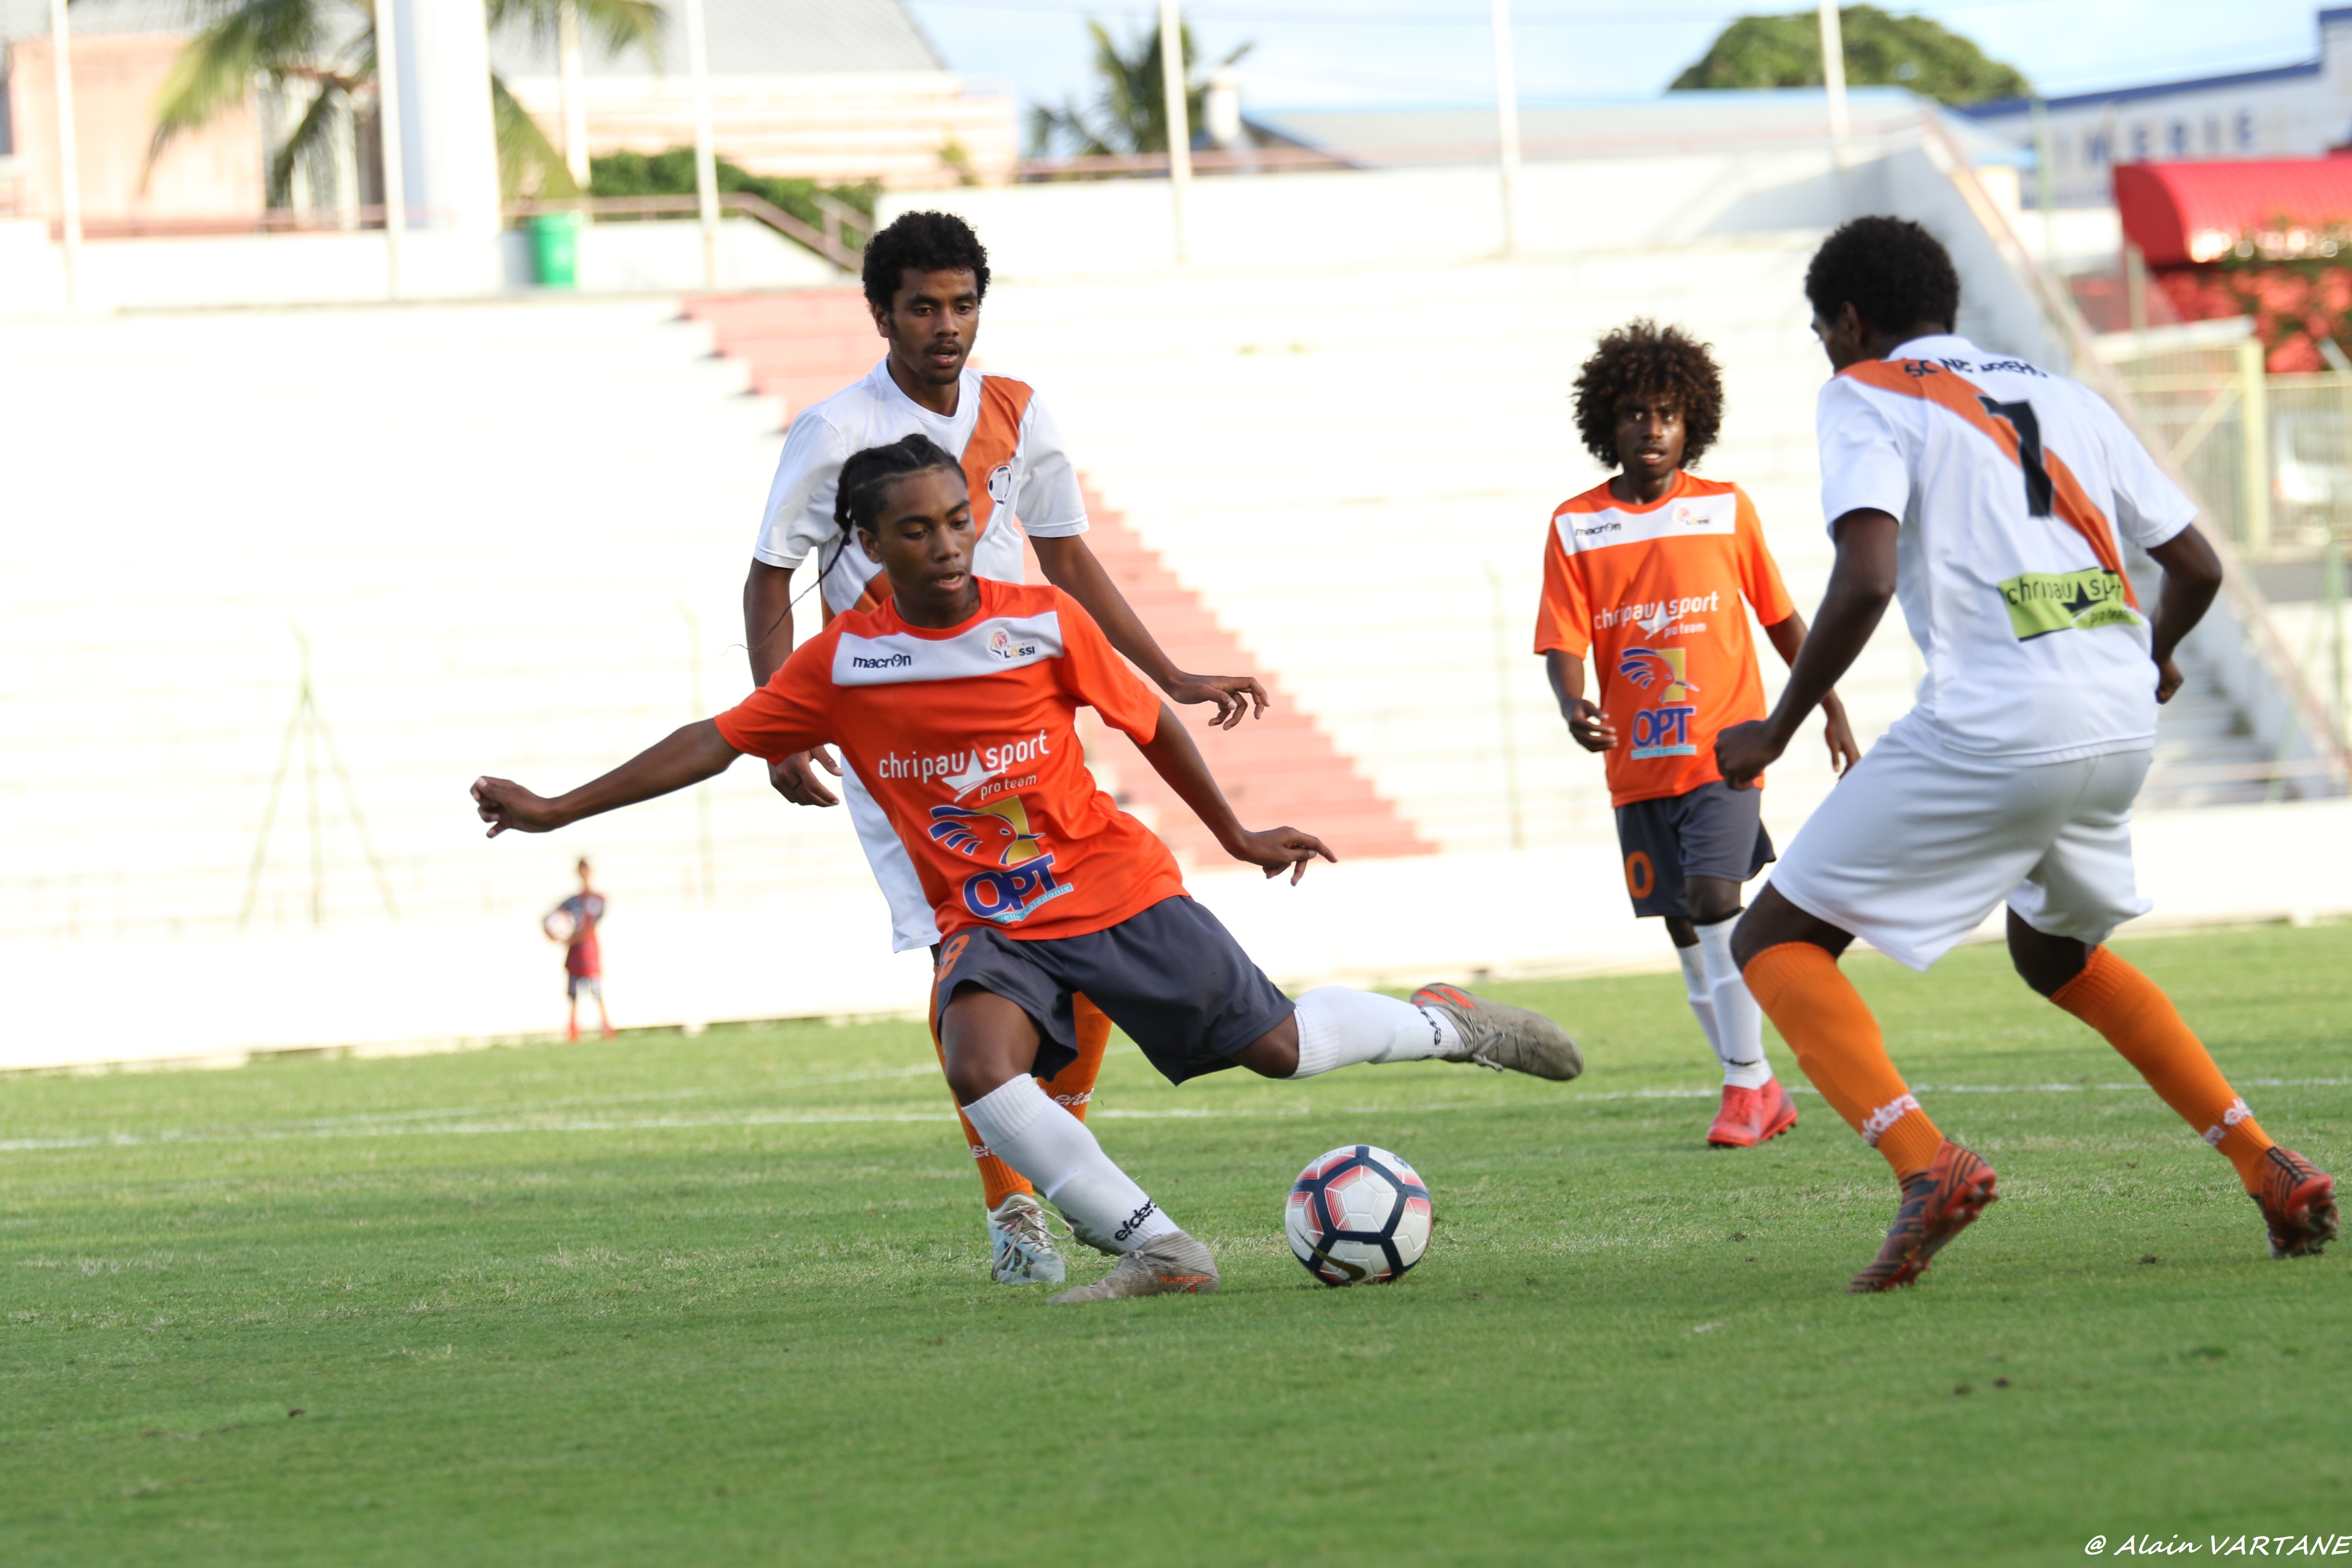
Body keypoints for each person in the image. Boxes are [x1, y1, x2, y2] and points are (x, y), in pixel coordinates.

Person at [476, 435, 1584, 1302]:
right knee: (976, 1062)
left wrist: (1237, 836)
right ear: (868, 545)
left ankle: (1449, 1024)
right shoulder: (844, 662)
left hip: (1109, 885)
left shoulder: (1042, 623)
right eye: (917, 530)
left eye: (959, 519)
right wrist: (556, 808)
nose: (948, 543)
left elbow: (1150, 723)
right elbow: (715, 737)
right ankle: (1157, 1251)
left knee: (1280, 1051)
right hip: (991, 921)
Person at [1714, 215, 2337, 1292]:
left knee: (1771, 936)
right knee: (2054, 956)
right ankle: (2264, 1164)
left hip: (1996, 720)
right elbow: (2190, 563)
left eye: (1825, 331)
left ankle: (1924, 1164)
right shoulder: (2066, 395)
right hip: (2115, 719)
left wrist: (1775, 726)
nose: (1827, 352)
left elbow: (1862, 577)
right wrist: (2150, 654)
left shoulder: (1863, 391)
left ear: (1849, 320)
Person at [739, 211, 1271, 1287]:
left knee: (1072, 951)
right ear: (879, 313)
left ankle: (1044, 1175)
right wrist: (773, 729)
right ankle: (1012, 1209)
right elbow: (765, 576)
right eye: (922, 307)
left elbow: (1068, 559)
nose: (945, 327)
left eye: (962, 304)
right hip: (904, 742)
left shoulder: (1019, 410)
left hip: (1024, 714)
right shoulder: (834, 431)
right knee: (967, 960)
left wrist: (1168, 675)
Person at [1539, 321, 1859, 1148]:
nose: (1652, 429)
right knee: (1684, 926)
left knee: (1718, 899)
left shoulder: (1725, 508)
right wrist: (1573, 705)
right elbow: (1562, 642)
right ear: (1606, 423)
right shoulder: (1575, 525)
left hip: (1727, 748)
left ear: (1693, 424)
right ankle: (1757, 1084)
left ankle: (1745, 1084)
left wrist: (1829, 706)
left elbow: (1783, 618)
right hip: (1638, 765)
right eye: (1636, 414)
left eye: (1668, 415)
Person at [548, 858, 614, 1041]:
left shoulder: (597, 899)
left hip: (589, 949)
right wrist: (553, 934)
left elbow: (592, 924)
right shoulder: (571, 902)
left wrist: (572, 938)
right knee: (574, 990)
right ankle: (573, 1028)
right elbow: (550, 919)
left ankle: (605, 1025)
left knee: (597, 989)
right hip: (575, 951)